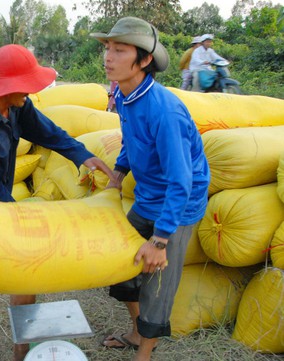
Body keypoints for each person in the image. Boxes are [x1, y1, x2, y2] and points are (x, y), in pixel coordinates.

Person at [0, 44, 117, 361]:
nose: (34, 90)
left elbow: (48, 132)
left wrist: (83, 155)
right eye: (28, 84)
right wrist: (25, 229)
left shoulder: (17, 105)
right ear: (8, 87)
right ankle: (21, 352)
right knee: (26, 265)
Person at [90, 17, 210, 361]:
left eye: (120, 50)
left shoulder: (164, 110)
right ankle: (135, 330)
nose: (108, 57)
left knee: (157, 284)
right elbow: (131, 138)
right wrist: (120, 169)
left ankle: (144, 353)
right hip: (149, 196)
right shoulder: (124, 95)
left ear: (143, 61)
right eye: (108, 49)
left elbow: (181, 181)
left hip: (179, 204)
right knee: (123, 262)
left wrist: (160, 240)